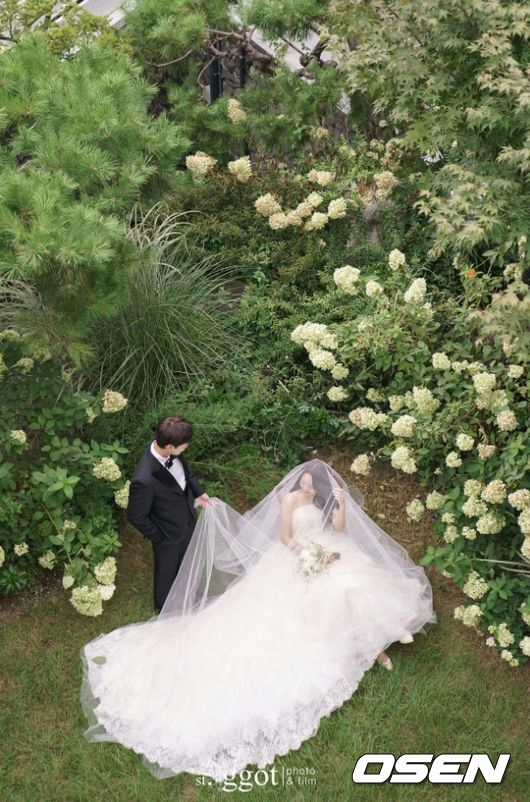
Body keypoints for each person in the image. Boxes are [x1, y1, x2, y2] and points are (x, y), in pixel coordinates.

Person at [80, 459, 436, 782]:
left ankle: (385, 633)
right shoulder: (290, 500)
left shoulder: (325, 501)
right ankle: (372, 644)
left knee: (358, 579)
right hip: (297, 556)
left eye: (312, 484)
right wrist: (311, 554)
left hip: (330, 548)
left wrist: (340, 507)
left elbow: (339, 530)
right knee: (330, 593)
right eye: (304, 482)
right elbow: (285, 538)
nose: (307, 487)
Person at [126, 415, 212, 612]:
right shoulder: (143, 480)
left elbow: (187, 474)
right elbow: (136, 516)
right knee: (166, 572)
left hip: (187, 518)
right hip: (167, 535)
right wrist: (161, 536)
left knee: (187, 560)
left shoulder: (170, 448)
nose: (186, 448)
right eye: (184, 446)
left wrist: (199, 492)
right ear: (170, 447)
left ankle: (188, 592)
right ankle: (165, 607)